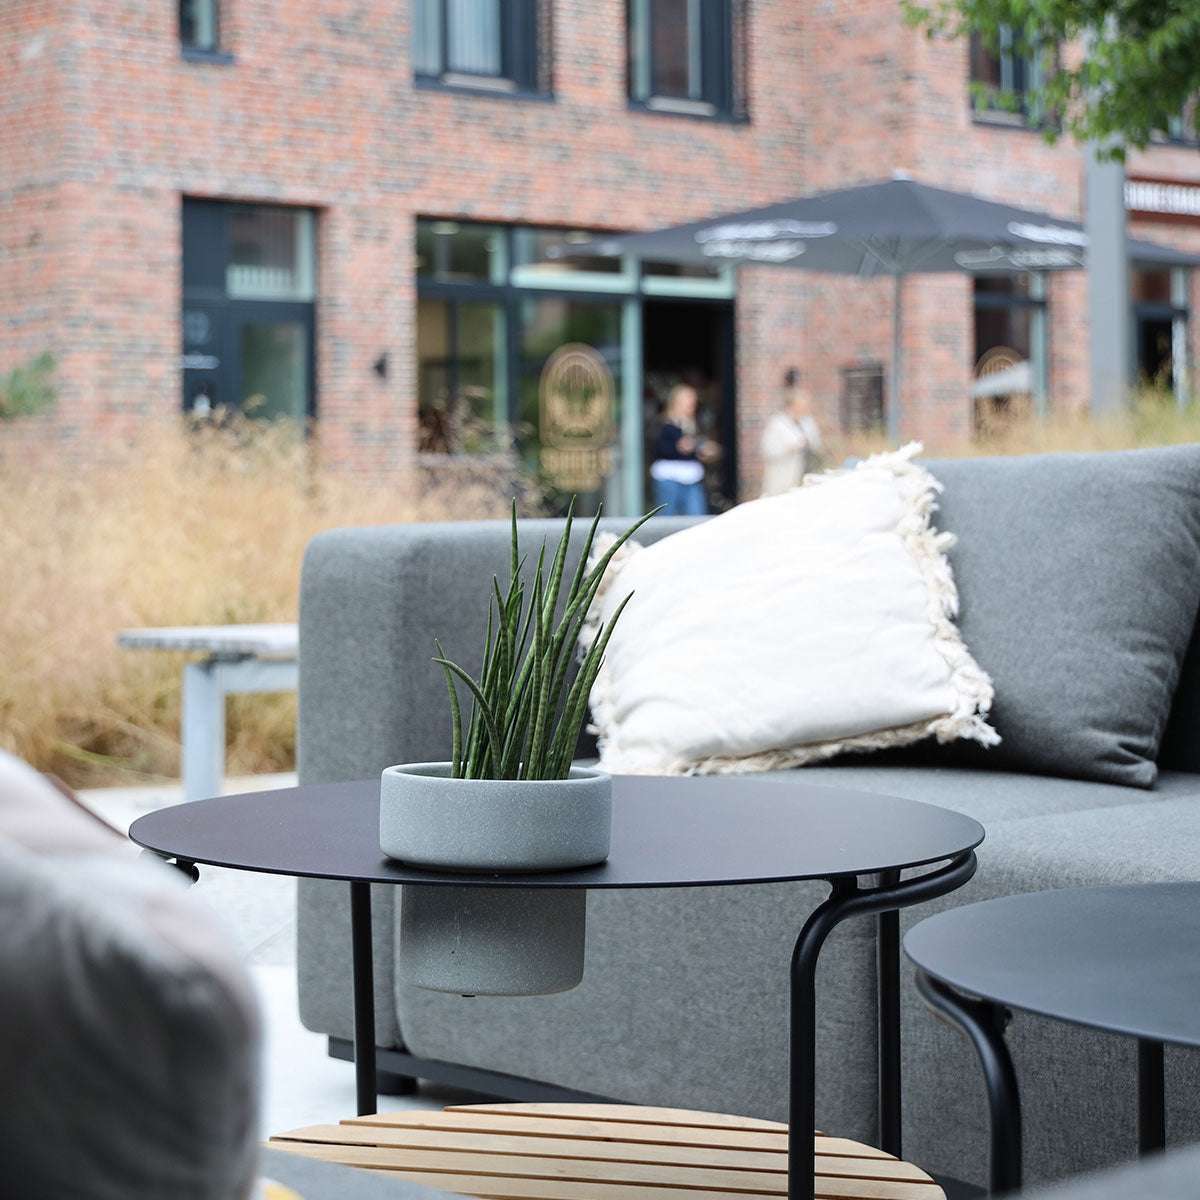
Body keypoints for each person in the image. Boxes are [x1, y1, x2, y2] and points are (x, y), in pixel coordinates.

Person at [650, 384, 719, 516]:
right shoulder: (663, 423)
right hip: (668, 478)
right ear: (676, 402)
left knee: (696, 519)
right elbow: (655, 448)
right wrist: (677, 447)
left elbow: (702, 446)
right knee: (667, 520)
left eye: (693, 401)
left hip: (692, 478)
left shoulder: (697, 424)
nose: (691, 405)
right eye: (688, 400)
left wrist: (706, 451)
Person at [760, 367, 824, 496]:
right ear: (792, 406)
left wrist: (810, 442)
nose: (804, 410)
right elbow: (767, 450)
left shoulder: (807, 422)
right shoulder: (777, 424)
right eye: (801, 407)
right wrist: (789, 448)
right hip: (782, 478)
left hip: (805, 475)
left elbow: (817, 444)